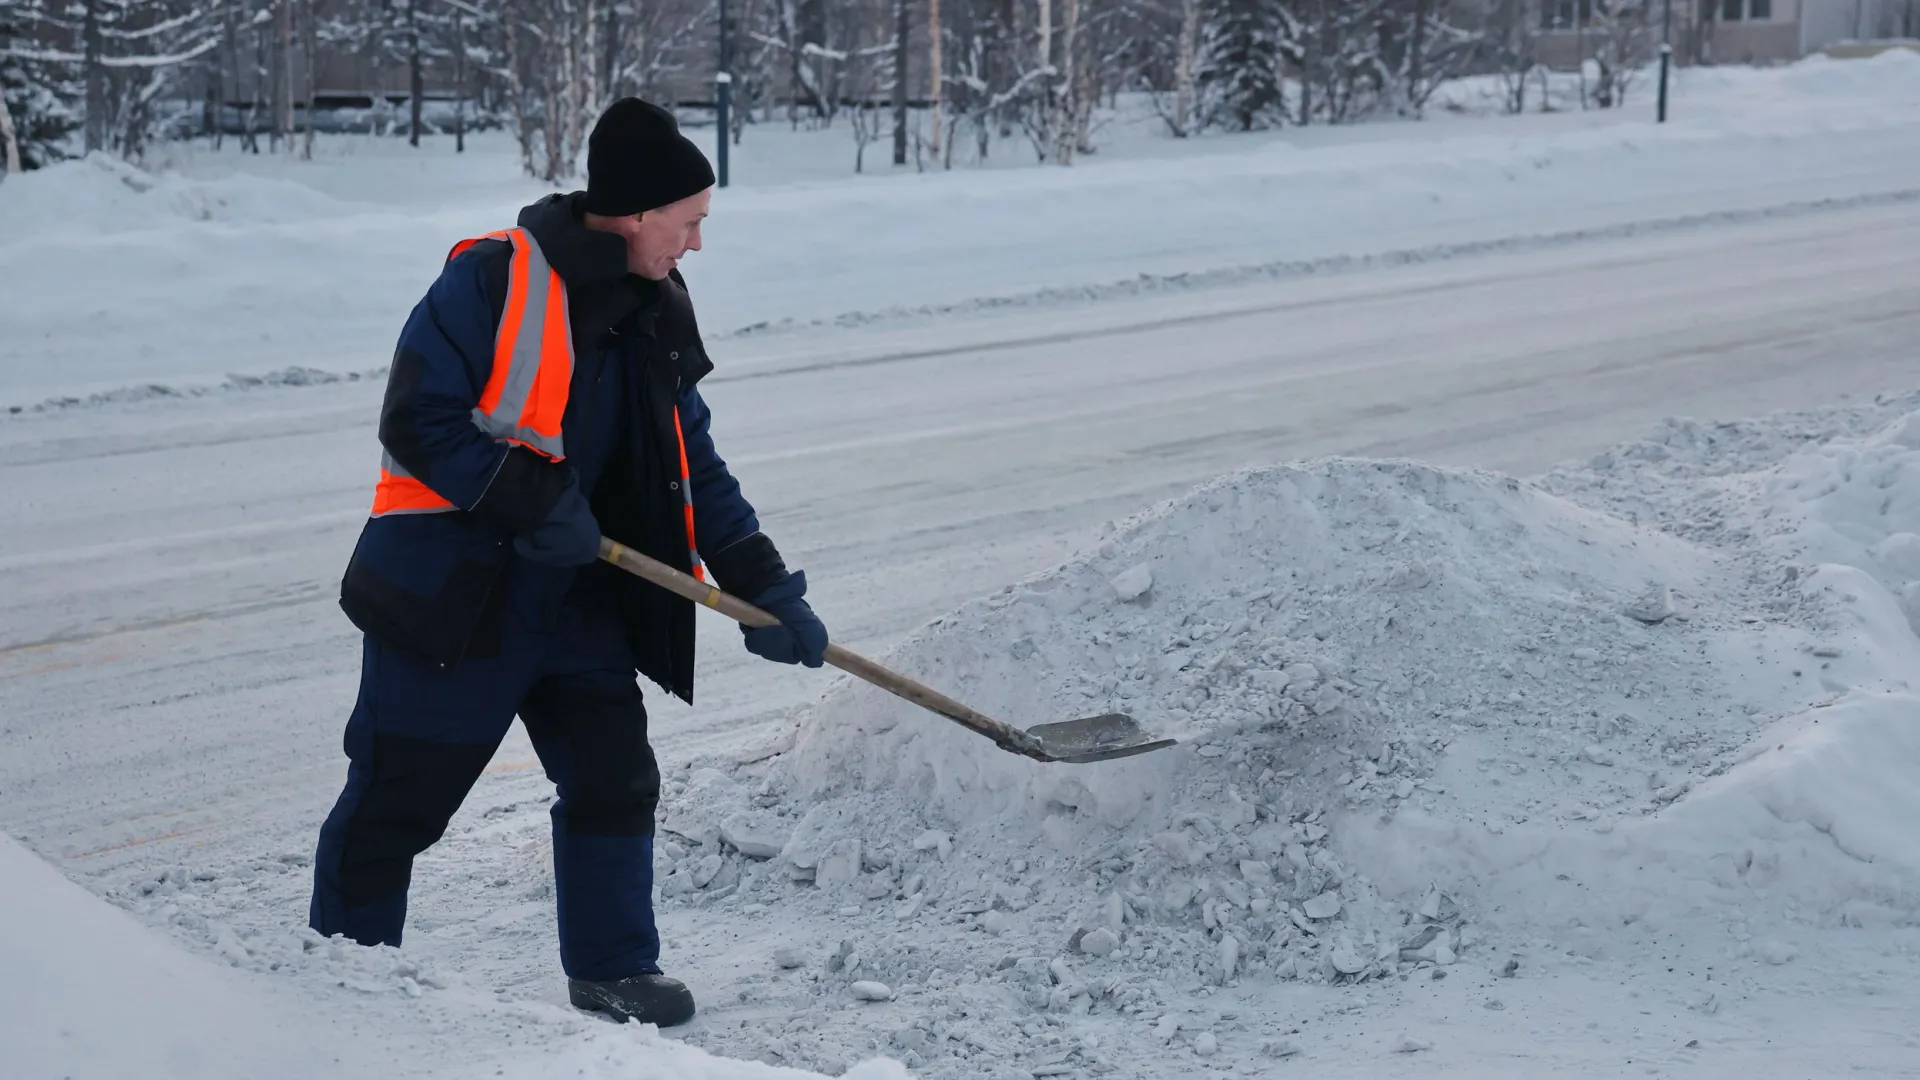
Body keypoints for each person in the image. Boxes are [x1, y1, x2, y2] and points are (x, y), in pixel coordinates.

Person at [308, 98, 828, 1028]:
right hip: (457, 598)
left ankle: (615, 969)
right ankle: (339, 982)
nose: (697, 245)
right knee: (397, 802)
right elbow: (417, 417)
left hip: (579, 599)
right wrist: (530, 497)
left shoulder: (654, 308)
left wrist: (762, 581)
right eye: (690, 222)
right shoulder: (493, 281)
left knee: (613, 775)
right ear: (635, 214)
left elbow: (689, 460)